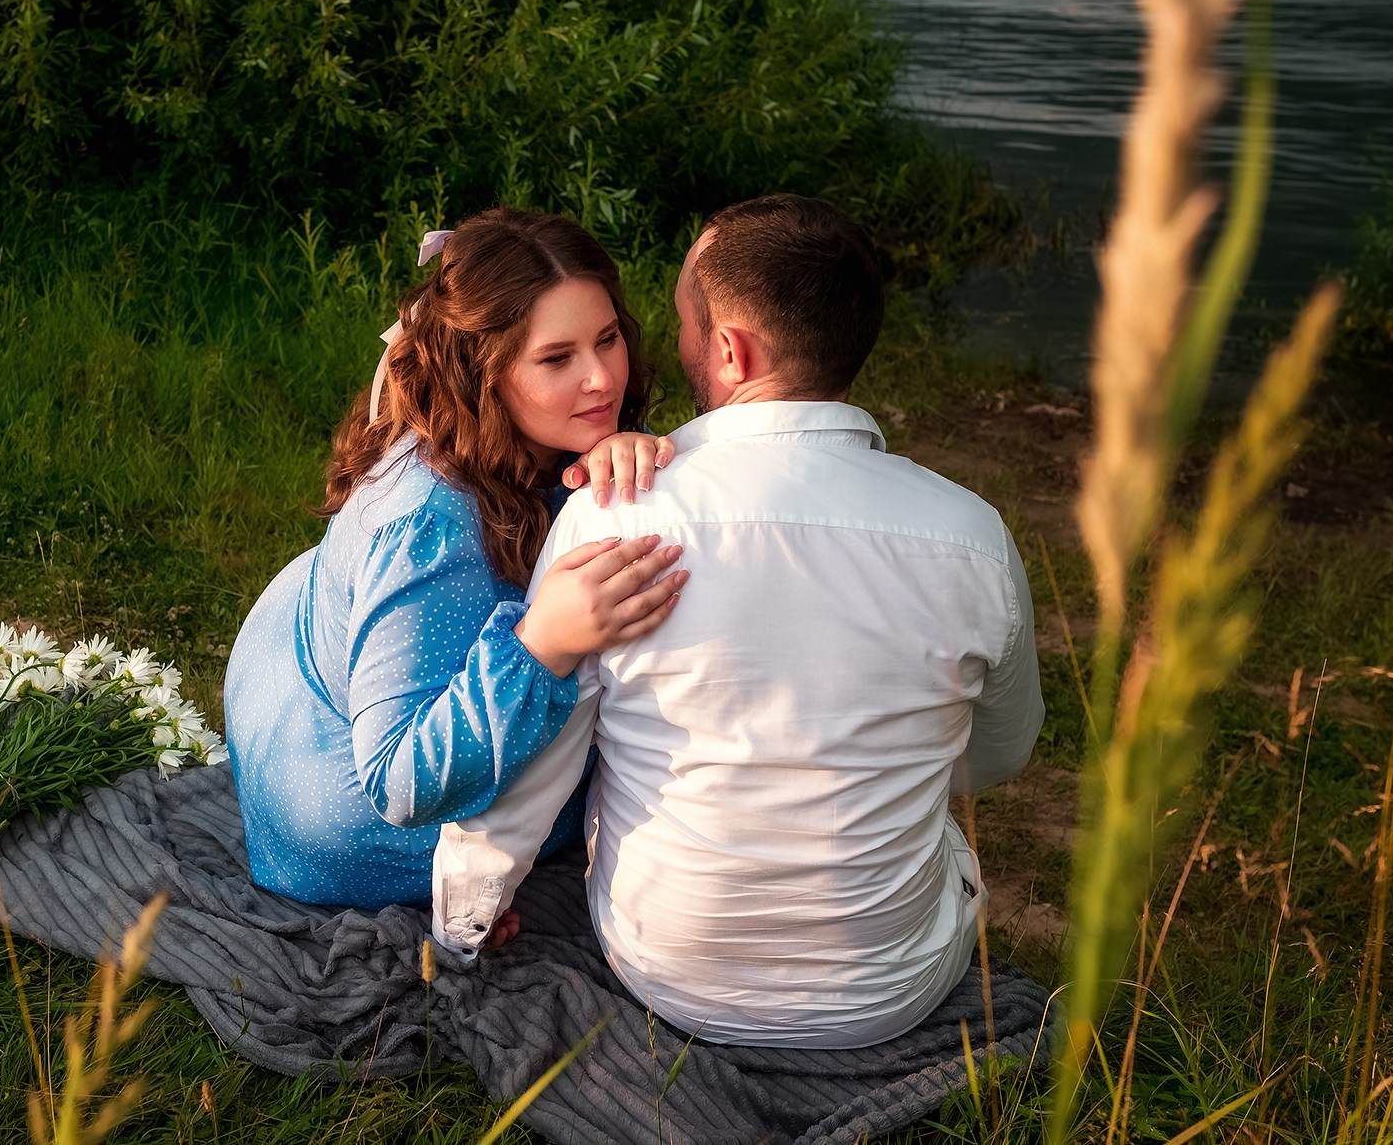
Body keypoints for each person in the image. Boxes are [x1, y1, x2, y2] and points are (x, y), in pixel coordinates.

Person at [432, 194, 1045, 1048]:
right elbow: (998, 753)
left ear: (729, 349)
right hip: (891, 991)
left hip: (663, 970)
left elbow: (539, 764)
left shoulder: (615, 515)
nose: (666, 341)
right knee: (945, 840)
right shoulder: (973, 535)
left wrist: (460, 923)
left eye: (684, 317)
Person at [223, 208, 688, 910]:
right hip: (354, 823)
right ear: (482, 373)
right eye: (556, 359)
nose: (601, 378)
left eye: (607, 338)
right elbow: (397, 783)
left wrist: (627, 448)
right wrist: (542, 645)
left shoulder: (532, 427)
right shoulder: (432, 526)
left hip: (309, 669)